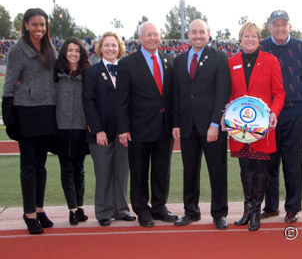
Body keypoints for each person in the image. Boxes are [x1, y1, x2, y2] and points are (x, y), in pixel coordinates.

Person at [223, 22, 285, 231]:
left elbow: (279, 92)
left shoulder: (270, 61)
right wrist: (226, 114)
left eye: (253, 36)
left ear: (259, 39)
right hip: (239, 127)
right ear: (240, 39)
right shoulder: (230, 62)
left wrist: (274, 112)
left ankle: (256, 211)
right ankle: (247, 209)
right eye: (246, 36)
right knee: (245, 168)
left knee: (260, 169)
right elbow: (228, 94)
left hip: (262, 127)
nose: (250, 39)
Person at [116, 22, 178, 227]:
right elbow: (121, 100)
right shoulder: (127, 64)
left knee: (162, 170)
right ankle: (142, 209)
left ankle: (160, 207)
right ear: (140, 38)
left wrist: (175, 122)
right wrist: (123, 128)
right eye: (148, 35)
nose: (153, 38)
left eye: (156, 34)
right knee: (139, 171)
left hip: (164, 126)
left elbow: (173, 96)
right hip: (138, 128)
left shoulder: (170, 60)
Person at [172, 19, 231, 230]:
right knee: (190, 170)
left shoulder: (219, 58)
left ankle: (219, 213)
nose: (198, 35)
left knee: (217, 170)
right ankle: (191, 211)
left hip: (211, 126)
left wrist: (215, 122)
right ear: (188, 35)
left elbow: (222, 92)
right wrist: (176, 123)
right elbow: (176, 94)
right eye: (194, 32)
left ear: (208, 34)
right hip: (187, 125)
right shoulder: (178, 60)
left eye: (202, 32)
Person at [2, 8, 57, 234]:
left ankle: (39, 208)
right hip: (26, 112)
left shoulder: (49, 47)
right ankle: (29, 213)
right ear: (26, 25)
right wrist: (9, 116)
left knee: (41, 165)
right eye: (34, 24)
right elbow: (9, 83)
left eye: (42, 25)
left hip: (47, 111)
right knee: (28, 165)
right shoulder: (17, 51)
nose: (39, 29)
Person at [260, 10, 302, 223]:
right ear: (269, 27)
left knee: (293, 163)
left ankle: (292, 208)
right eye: (276, 24)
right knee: (269, 162)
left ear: (289, 26)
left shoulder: (300, 46)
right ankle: (271, 206)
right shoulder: (262, 46)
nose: (280, 28)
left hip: (295, 111)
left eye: (284, 24)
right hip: (268, 114)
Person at [83, 32, 135, 227]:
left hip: (123, 131)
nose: (111, 49)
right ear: (100, 48)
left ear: (119, 48)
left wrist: (127, 128)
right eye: (107, 45)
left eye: (114, 45)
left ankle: (121, 209)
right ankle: (104, 211)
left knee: (122, 172)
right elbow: (89, 103)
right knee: (103, 172)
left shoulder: (126, 70)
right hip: (101, 133)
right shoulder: (92, 72)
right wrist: (97, 130)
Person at [53, 38, 90, 225]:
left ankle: (80, 206)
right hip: (62, 127)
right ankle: (72, 209)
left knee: (79, 169)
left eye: (77, 50)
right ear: (64, 52)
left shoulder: (87, 74)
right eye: (70, 50)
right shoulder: (56, 74)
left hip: (81, 128)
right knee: (66, 169)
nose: (73, 54)